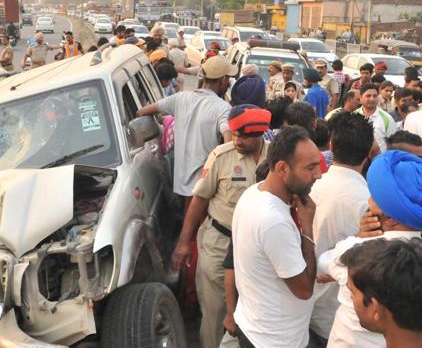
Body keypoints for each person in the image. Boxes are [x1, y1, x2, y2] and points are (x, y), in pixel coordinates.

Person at [172, 105, 271, 348]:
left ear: (259, 134)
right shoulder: (221, 156)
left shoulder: (277, 157)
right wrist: (184, 242)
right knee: (216, 315)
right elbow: (199, 200)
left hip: (259, 249)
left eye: (244, 136)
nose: (236, 140)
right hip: (219, 243)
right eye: (234, 134)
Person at [319, 150, 422, 348]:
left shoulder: (358, 251)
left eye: (374, 198)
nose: (368, 202)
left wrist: (358, 235)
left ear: (391, 218)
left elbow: (325, 260)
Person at [232, 125, 321, 348]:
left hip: (258, 327)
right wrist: (307, 228)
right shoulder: (274, 221)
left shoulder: (253, 193)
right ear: (282, 168)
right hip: (274, 340)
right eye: (310, 168)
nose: (318, 175)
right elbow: (304, 290)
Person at [308, 112, 374, 346]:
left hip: (303, 306)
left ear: (331, 146)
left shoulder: (309, 187)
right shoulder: (369, 202)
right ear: (369, 153)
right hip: (339, 316)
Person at [136, 55, 234, 204]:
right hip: (203, 187)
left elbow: (142, 112)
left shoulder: (180, 98)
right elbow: (229, 143)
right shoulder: (223, 108)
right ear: (223, 80)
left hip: (180, 183)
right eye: (228, 79)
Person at [355, 83, 396, 152]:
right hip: (356, 159)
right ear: (360, 98)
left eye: (375, 96)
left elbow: (393, 143)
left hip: (379, 160)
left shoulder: (387, 118)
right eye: (368, 96)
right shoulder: (353, 116)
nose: (372, 99)